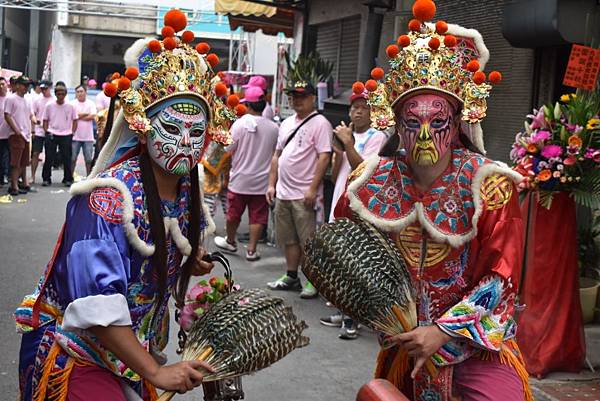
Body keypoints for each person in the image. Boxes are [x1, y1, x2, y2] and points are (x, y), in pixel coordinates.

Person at [15, 13, 239, 400]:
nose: (185, 143)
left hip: (134, 353)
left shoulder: (188, 191)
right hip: (81, 353)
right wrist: (157, 371)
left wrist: (190, 258)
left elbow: (159, 242)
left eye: (197, 132)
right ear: (143, 125)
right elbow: (96, 303)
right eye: (172, 129)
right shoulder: (106, 198)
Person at [333, 6, 532, 401]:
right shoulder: (370, 183)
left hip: (475, 348)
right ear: (395, 123)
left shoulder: (488, 185)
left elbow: (501, 280)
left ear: (458, 123)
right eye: (412, 121)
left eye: (438, 122)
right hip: (406, 345)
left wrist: (441, 331)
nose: (424, 135)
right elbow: (344, 253)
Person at [320, 89, 387, 339]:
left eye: (363, 107)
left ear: (373, 112)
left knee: (356, 263)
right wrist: (338, 148)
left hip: (360, 207)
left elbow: (364, 169)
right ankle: (342, 310)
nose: (357, 112)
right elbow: (337, 171)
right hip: (341, 199)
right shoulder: (348, 132)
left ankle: (353, 318)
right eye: (354, 107)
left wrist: (348, 143)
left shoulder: (377, 137)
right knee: (340, 262)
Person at [266, 80, 332, 299]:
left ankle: (313, 281)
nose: (296, 100)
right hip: (283, 192)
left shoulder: (320, 123)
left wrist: (313, 189)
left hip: (304, 193)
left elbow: (324, 156)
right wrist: (271, 184)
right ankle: (291, 275)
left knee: (309, 242)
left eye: (302, 96)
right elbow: (277, 155)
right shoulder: (286, 123)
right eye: (293, 96)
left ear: (313, 98)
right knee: (290, 239)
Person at [214, 86, 278, 261]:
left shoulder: (240, 124)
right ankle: (251, 250)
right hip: (262, 182)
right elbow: (276, 154)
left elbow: (227, 148)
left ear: (248, 104)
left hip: (240, 179)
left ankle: (231, 240)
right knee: (258, 216)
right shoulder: (274, 128)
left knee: (234, 213)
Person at [3, 76, 35, 196]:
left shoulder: (27, 100)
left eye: (27, 85)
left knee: (24, 161)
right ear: (17, 85)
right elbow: (7, 115)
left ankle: (23, 183)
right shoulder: (11, 99)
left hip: (25, 133)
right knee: (15, 162)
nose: (26, 87)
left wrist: (31, 130)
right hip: (16, 133)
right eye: (24, 85)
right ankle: (14, 186)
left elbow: (29, 115)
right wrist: (16, 130)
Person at [42, 83, 78, 187]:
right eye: (58, 93)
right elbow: (45, 120)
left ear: (66, 94)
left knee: (67, 157)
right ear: (56, 94)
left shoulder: (70, 106)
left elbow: (75, 120)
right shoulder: (49, 105)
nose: (60, 96)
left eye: (62, 94)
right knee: (49, 157)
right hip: (52, 133)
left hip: (66, 134)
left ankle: (67, 178)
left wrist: (72, 132)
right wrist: (46, 132)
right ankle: (46, 178)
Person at [30, 80, 54, 184]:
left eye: (45, 88)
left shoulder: (54, 100)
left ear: (50, 88)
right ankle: (32, 176)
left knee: (49, 154)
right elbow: (32, 114)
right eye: (42, 89)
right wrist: (33, 128)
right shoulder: (37, 100)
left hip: (51, 130)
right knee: (35, 153)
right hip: (39, 130)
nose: (43, 91)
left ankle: (46, 177)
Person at [71, 84, 97, 176]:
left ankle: (89, 177)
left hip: (88, 137)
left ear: (85, 92)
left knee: (88, 159)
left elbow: (92, 116)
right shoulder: (72, 104)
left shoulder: (91, 103)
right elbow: (72, 117)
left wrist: (78, 116)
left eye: (81, 91)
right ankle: (70, 177)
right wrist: (84, 114)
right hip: (75, 136)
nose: (80, 93)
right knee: (73, 158)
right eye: (78, 92)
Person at [0, 77, 10, 186]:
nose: (1, 86)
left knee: (9, 156)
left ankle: (8, 175)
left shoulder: (10, 98)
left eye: (3, 84)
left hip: (9, 133)